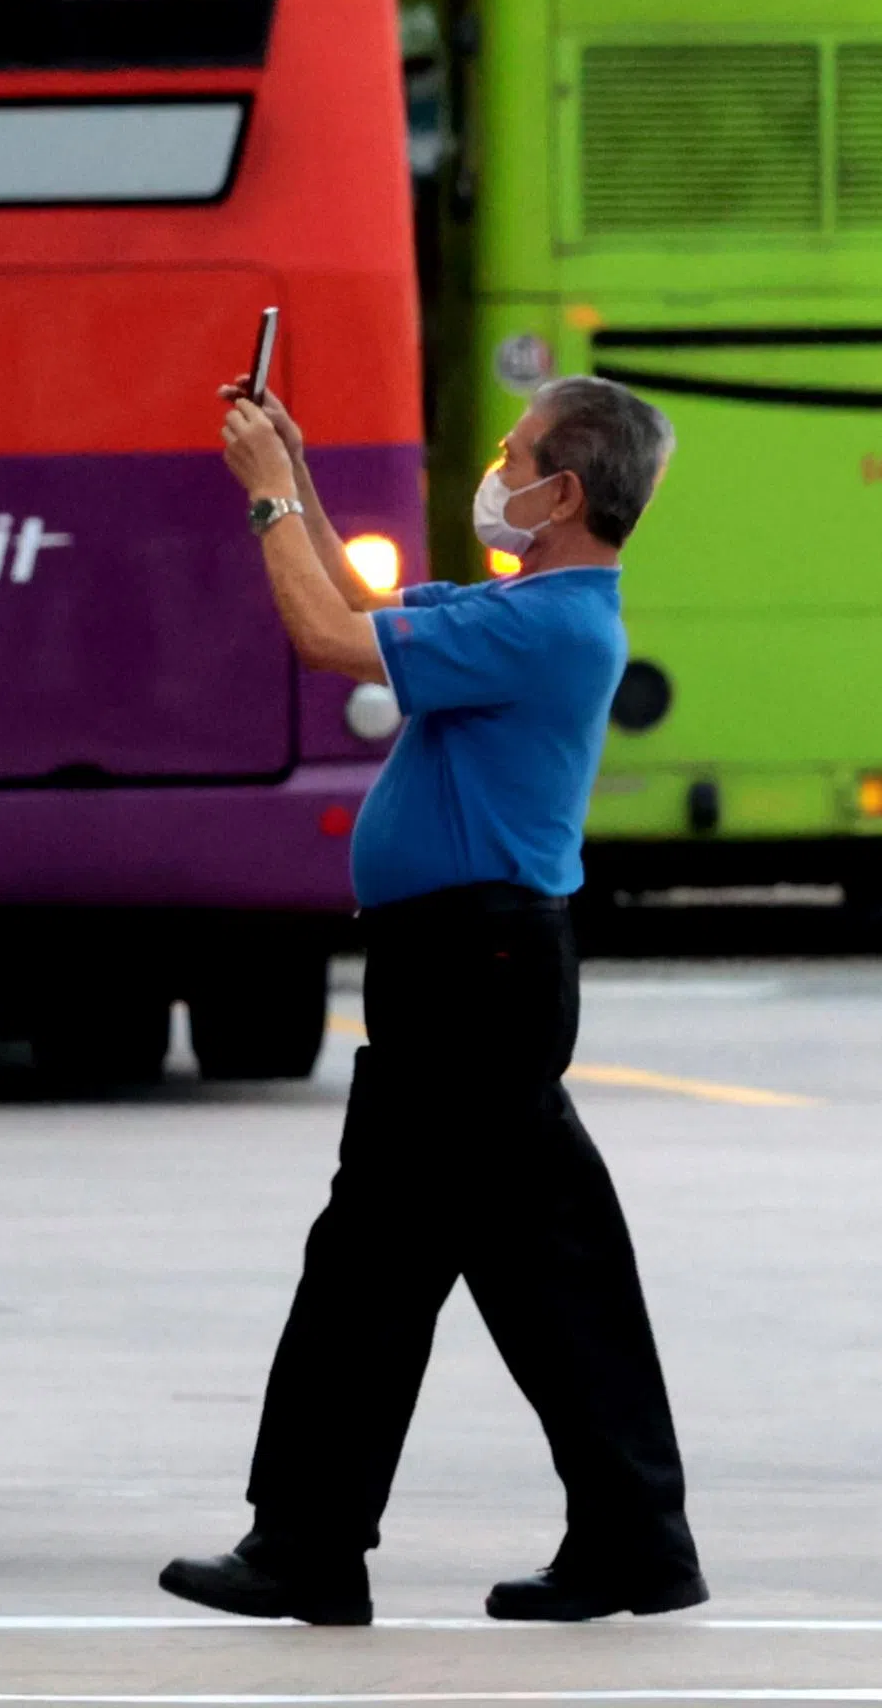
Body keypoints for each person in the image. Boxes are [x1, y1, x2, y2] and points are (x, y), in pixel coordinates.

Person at [172, 378, 699, 1632]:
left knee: (377, 1264)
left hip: (477, 971)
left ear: (563, 494)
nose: (497, 469)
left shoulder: (550, 628)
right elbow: (361, 601)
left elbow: (324, 639)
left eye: (514, 455)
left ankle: (310, 1545)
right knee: (538, 1267)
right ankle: (633, 1539)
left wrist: (257, 502)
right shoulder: (523, 608)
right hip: (473, 970)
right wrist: (295, 468)